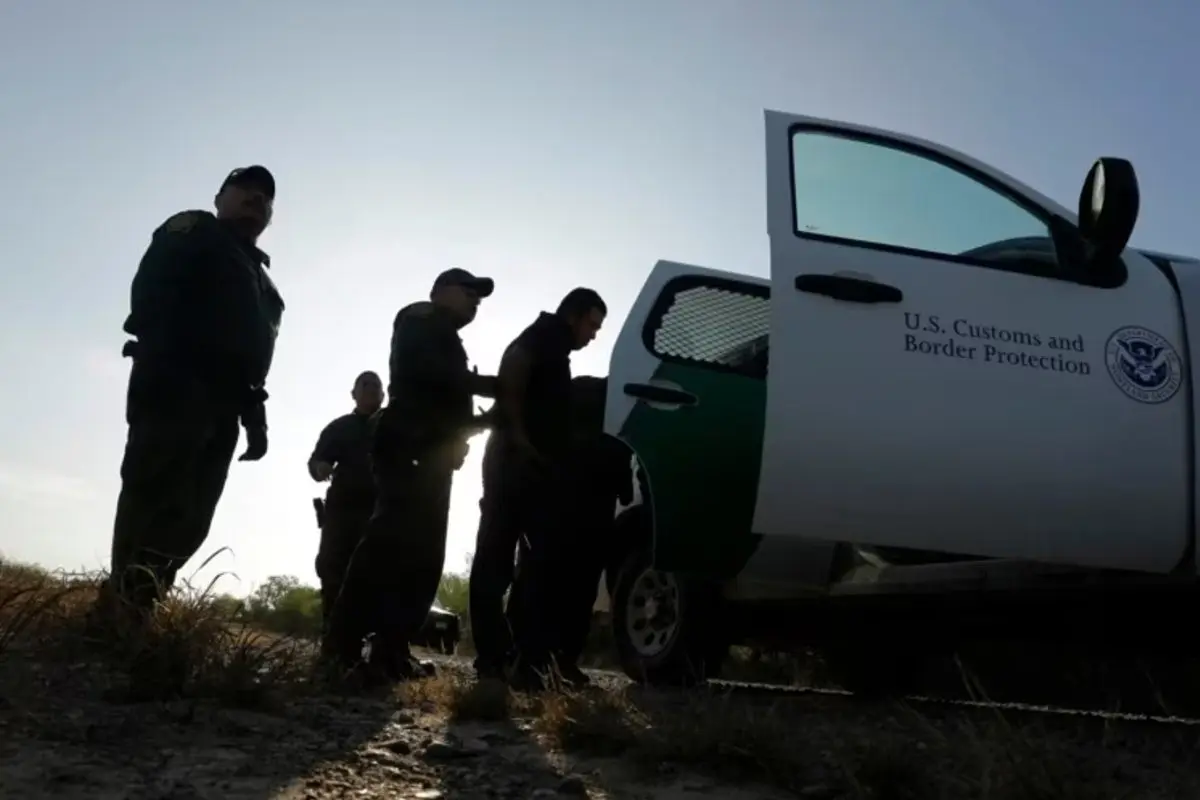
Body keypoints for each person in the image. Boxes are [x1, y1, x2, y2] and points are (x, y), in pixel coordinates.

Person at [93, 165, 284, 631]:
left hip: (225, 405)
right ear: (220, 197)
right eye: (244, 190)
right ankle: (117, 613)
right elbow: (153, 290)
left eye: (265, 196)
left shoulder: (267, 286)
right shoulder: (197, 230)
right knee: (153, 492)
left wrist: (254, 419)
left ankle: (145, 601)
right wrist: (162, 363)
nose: (255, 199)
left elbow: (254, 356)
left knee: (194, 512)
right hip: (177, 382)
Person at [324, 268, 498, 684]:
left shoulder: (448, 338)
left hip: (432, 454)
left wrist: (487, 418)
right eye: (468, 290)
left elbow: (449, 401)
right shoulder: (420, 318)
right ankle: (342, 647)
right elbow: (431, 377)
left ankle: (391, 648)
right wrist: (495, 386)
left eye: (480, 295)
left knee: (422, 556)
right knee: (388, 545)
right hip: (409, 447)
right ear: (440, 291)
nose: (475, 300)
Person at [473, 287, 607, 688]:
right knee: (497, 558)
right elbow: (514, 366)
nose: (594, 335)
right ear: (575, 315)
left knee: (536, 563)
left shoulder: (556, 347)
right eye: (592, 325)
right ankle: (493, 661)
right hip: (515, 464)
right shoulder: (547, 334)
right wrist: (518, 436)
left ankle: (522, 661)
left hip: (529, 465)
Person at [308, 370, 385, 641]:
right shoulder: (339, 428)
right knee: (333, 572)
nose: (370, 388)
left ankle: (372, 643)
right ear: (353, 393)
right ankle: (333, 639)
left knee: (379, 576)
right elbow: (315, 462)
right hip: (342, 512)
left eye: (376, 385)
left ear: (383, 393)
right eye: (364, 385)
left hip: (382, 513)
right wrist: (321, 467)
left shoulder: (393, 425)